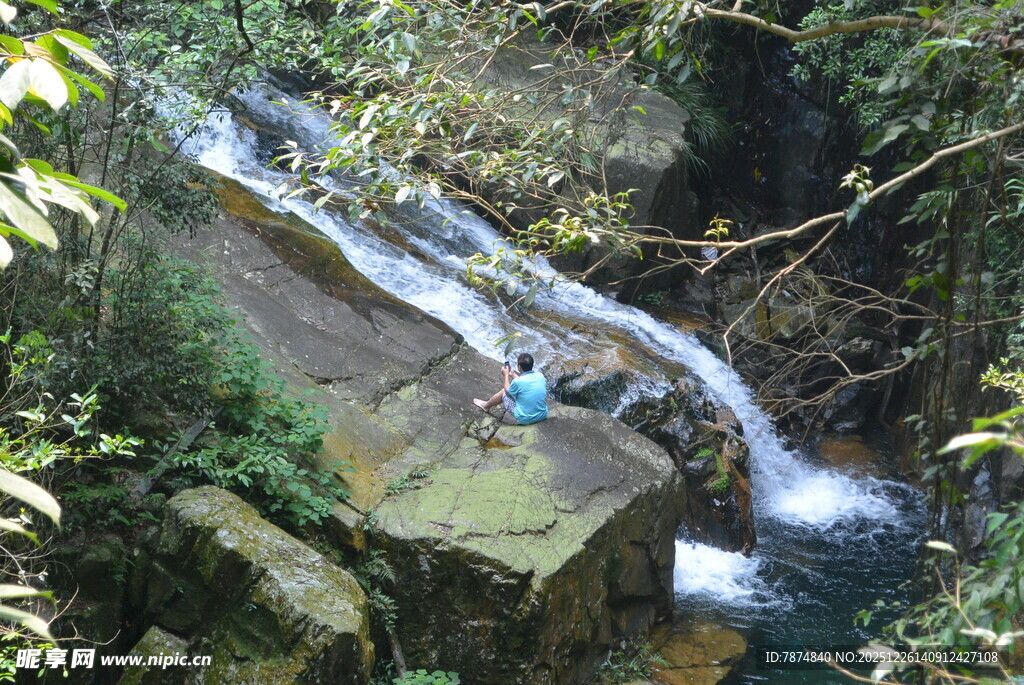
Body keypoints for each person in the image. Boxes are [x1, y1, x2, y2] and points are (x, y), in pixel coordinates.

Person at [473, 352, 548, 425]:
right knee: (523, 392)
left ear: (519, 367)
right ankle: (486, 405)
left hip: (526, 419)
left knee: (503, 392)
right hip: (542, 415)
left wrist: (506, 375)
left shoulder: (517, 382)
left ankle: (486, 406)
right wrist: (513, 374)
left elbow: (507, 391)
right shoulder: (540, 376)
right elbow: (526, 384)